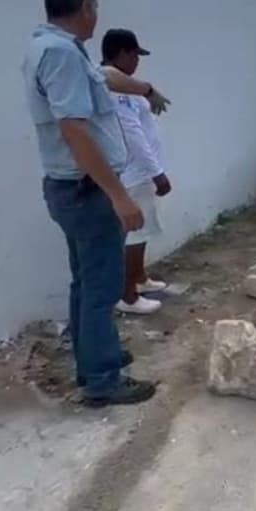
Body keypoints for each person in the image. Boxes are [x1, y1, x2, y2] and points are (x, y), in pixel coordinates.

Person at [22, 0, 154, 407]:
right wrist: (119, 196)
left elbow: (105, 77)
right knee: (102, 287)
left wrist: (145, 88)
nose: (97, 13)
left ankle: (94, 358)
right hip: (86, 191)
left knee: (86, 282)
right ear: (85, 6)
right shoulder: (60, 54)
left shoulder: (53, 48)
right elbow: (74, 129)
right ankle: (102, 379)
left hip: (71, 189)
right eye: (95, 5)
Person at [100, 29, 173, 315]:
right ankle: (128, 295)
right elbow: (132, 135)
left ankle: (140, 279)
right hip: (135, 171)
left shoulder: (127, 87)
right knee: (135, 233)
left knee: (143, 229)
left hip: (141, 172)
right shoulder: (115, 91)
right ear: (121, 54)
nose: (137, 61)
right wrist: (157, 173)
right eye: (133, 55)